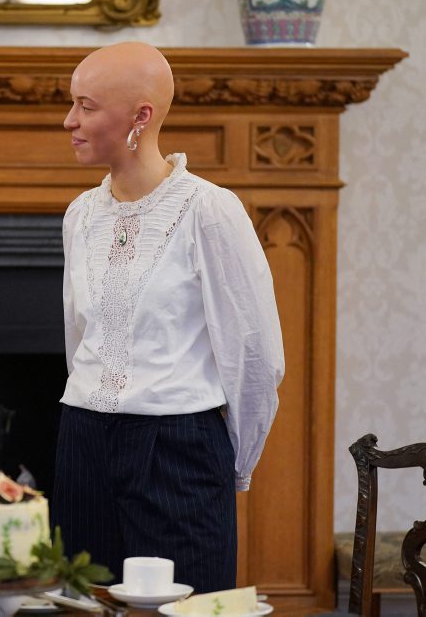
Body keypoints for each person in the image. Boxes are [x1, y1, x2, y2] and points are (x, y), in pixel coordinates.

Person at [52, 42, 284, 593]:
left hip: (179, 451)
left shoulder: (210, 210)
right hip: (82, 442)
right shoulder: (80, 215)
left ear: (141, 116)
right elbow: (78, 339)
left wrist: (233, 464)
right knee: (84, 604)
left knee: (189, 606)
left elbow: (254, 354)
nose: (69, 121)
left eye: (86, 106)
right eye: (72, 104)